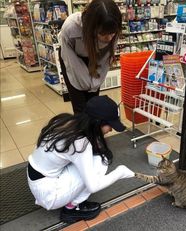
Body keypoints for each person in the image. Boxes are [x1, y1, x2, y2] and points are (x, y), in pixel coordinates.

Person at [27, 95, 134, 223]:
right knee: (101, 162)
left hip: (37, 177)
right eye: (110, 125)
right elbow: (93, 186)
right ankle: (71, 209)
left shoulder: (66, 122)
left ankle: (70, 203)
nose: (111, 129)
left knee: (97, 156)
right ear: (98, 123)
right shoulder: (80, 143)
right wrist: (120, 172)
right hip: (48, 193)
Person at [58, 0, 122, 114]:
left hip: (96, 59)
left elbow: (103, 64)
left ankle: (93, 130)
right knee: (80, 107)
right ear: (91, 27)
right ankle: (82, 129)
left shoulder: (113, 29)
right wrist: (87, 84)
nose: (109, 38)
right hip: (73, 58)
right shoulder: (71, 27)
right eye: (103, 34)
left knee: (93, 104)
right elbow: (72, 64)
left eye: (112, 33)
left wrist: (94, 85)